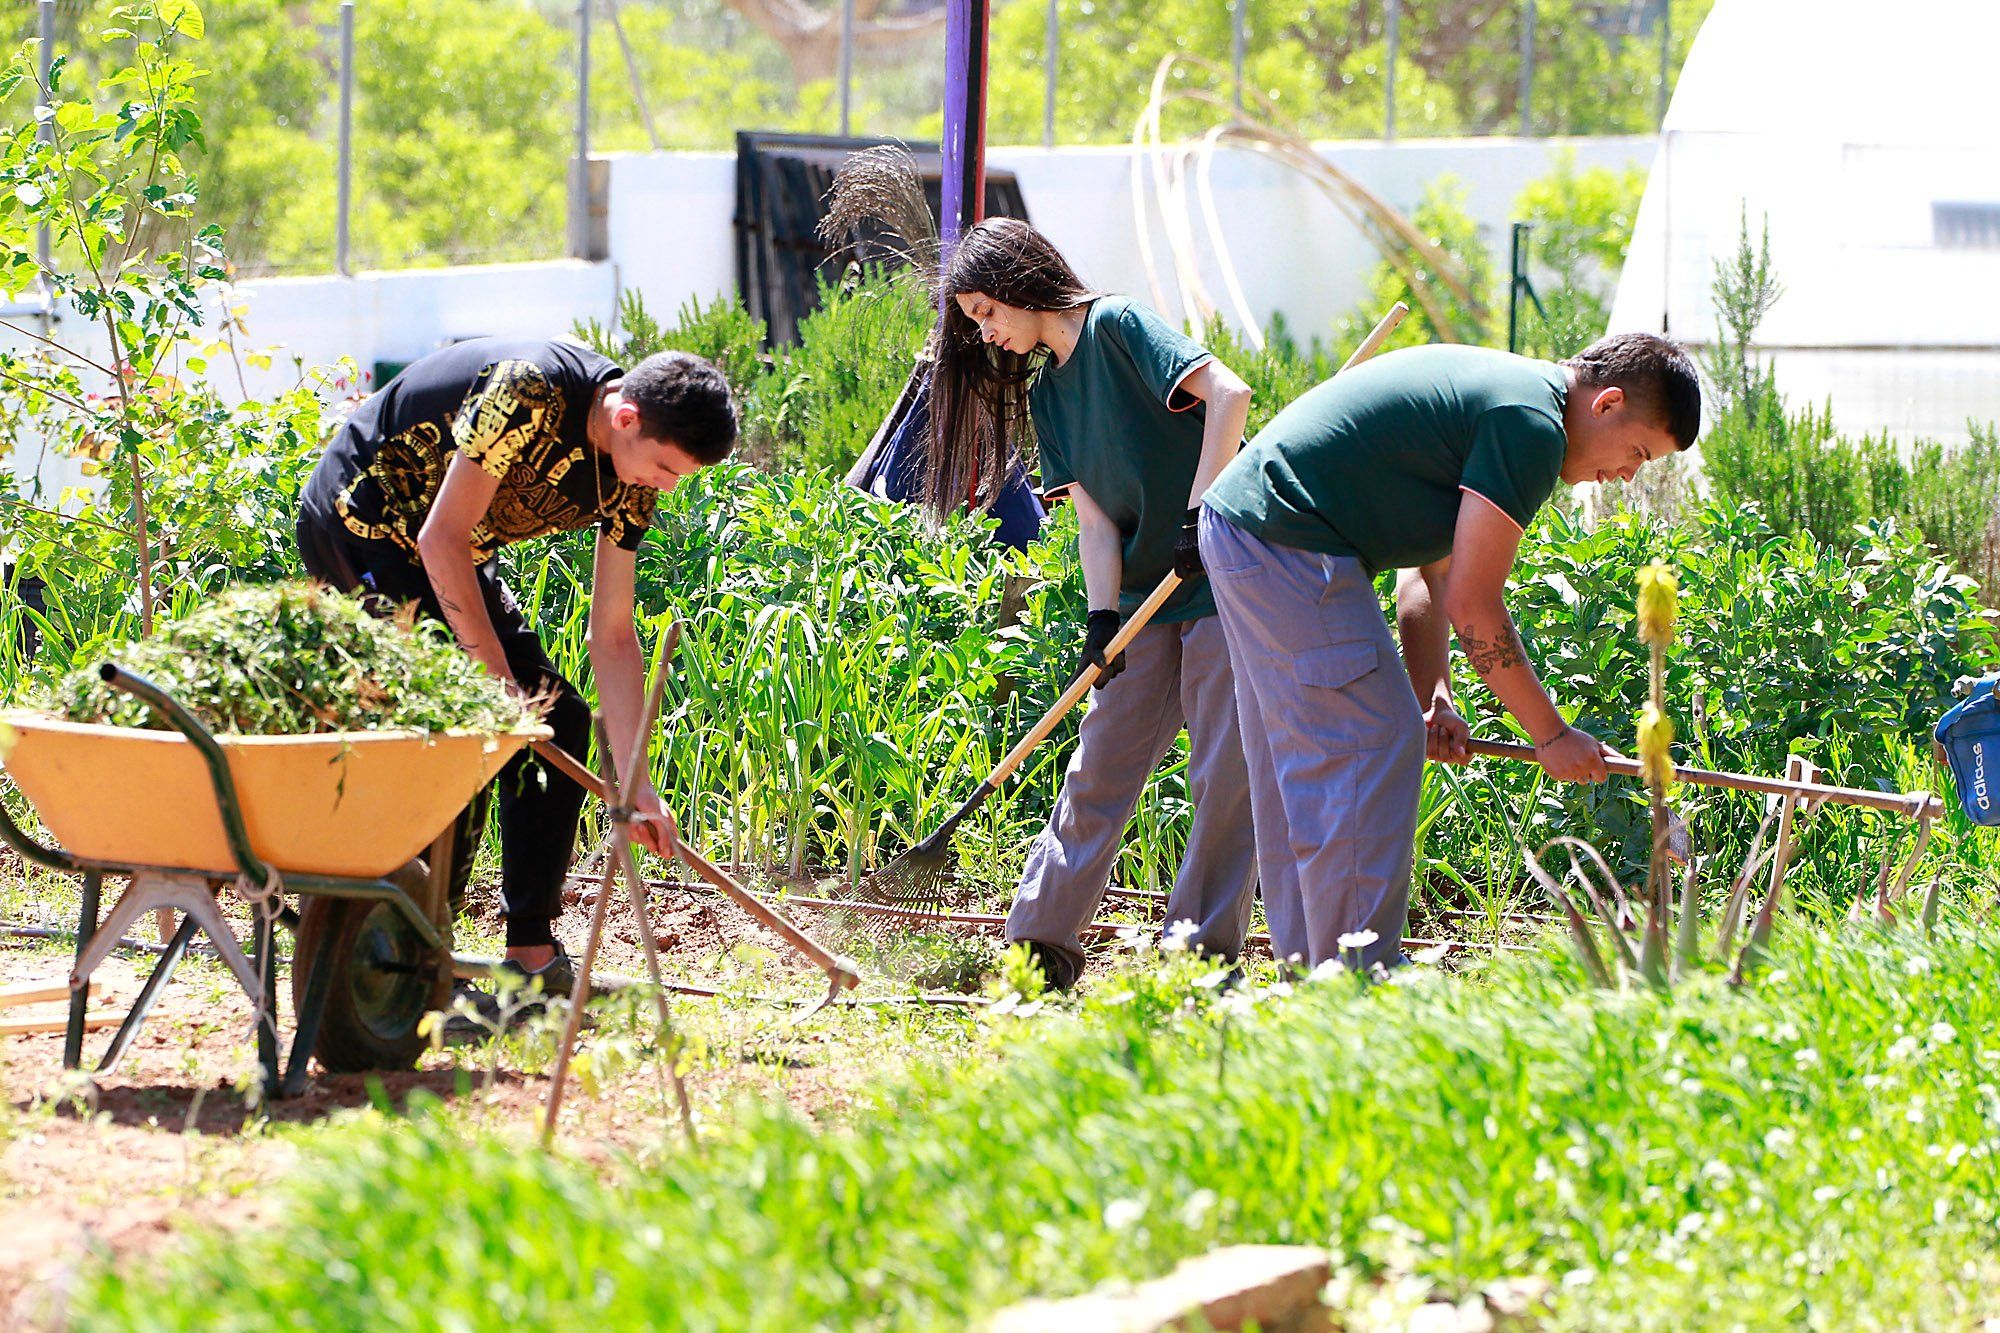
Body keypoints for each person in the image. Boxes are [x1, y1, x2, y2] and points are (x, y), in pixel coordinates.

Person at [1198, 333, 1702, 972]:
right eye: (1637, 453)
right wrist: (1550, 736)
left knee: (1307, 758)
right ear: (1605, 404)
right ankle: (1358, 979)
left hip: (1252, 529)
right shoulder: (1531, 426)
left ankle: (1317, 975)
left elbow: (1428, 577)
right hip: (1288, 537)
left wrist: (1434, 697)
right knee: (1370, 742)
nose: (1628, 475)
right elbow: (1474, 606)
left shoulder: (1516, 398)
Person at [296, 338, 738, 996]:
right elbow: (438, 538)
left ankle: (529, 951)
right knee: (460, 731)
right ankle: (412, 956)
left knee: (558, 718)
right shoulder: (529, 391)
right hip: (362, 523)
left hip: (447, 551)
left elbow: (613, 634)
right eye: (665, 467)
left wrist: (635, 782)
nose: (666, 486)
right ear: (625, 418)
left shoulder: (631, 479)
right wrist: (497, 690)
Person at [928, 217, 1257, 991]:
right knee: (1098, 768)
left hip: (1222, 581)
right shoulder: (1048, 394)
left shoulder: (1117, 326)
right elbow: (1095, 520)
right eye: (974, 322)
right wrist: (1101, 620)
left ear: (1014, 283)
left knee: (1223, 776)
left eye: (985, 313)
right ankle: (1037, 950)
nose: (986, 334)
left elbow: (1230, 395)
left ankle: (1199, 962)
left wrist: (1199, 513)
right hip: (1148, 594)